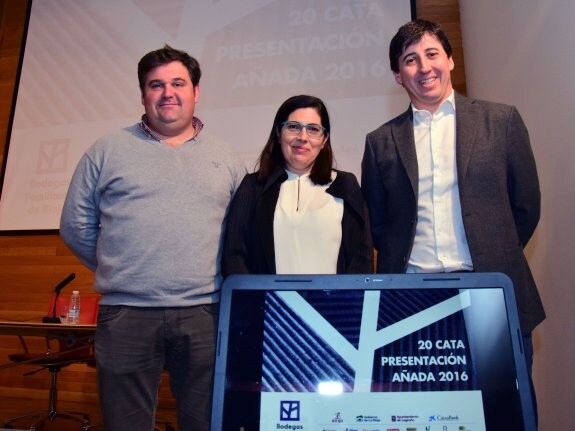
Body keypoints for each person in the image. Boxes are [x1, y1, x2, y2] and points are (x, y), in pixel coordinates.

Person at [361, 17, 545, 416]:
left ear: (450, 60)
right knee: (427, 414)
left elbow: (526, 206)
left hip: (491, 292)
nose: (423, 67)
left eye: (431, 54)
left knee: (506, 411)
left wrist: (495, 251)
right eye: (410, 60)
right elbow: (377, 223)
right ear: (398, 75)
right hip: (413, 300)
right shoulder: (379, 142)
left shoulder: (502, 121)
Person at [60, 45, 245, 431]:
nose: (167, 93)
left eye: (178, 83)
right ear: (143, 94)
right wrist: (122, 265)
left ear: (196, 90)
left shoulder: (227, 158)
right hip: (126, 315)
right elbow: (76, 226)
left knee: (206, 423)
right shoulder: (106, 151)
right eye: (155, 85)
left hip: (205, 314)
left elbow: (239, 237)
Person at [222, 94, 373, 276]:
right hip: (270, 304)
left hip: (333, 303)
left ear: (324, 139)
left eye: (313, 129)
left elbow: (362, 256)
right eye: (293, 127)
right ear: (278, 133)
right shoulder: (253, 187)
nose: (302, 137)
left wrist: (348, 303)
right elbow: (234, 256)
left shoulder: (345, 185)